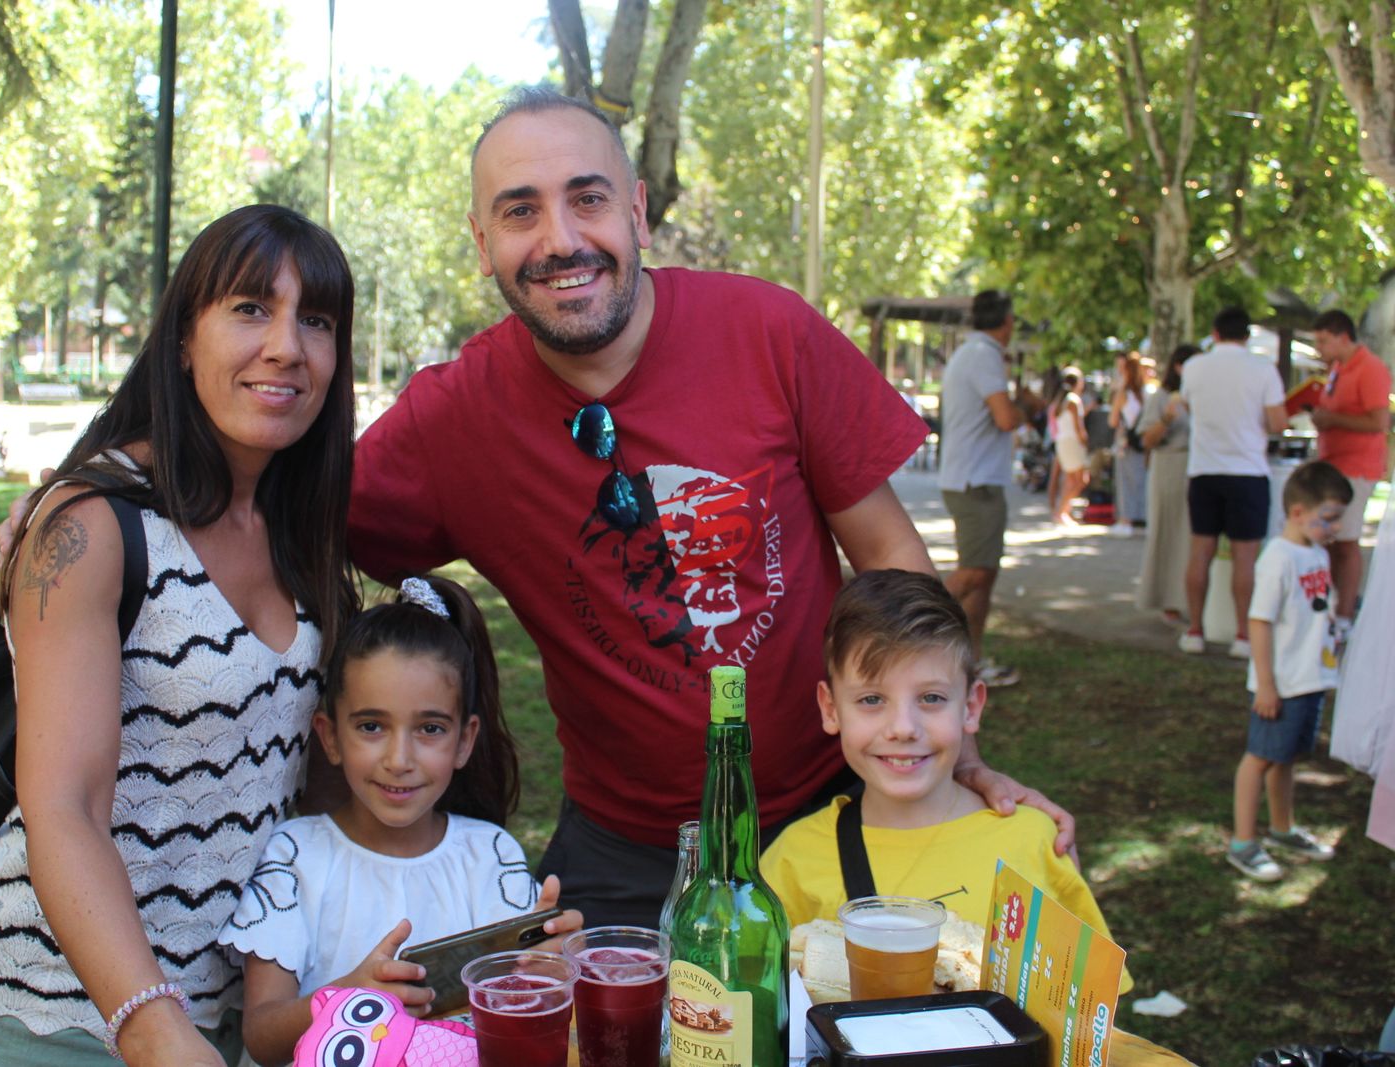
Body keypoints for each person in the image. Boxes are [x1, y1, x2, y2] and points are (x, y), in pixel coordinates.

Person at [346, 89, 1071, 926]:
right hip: (622, 845)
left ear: (639, 213)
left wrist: (955, 751)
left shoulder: (770, 331)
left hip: (836, 805)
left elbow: (893, 562)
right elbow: (290, 523)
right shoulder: (452, 418)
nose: (562, 240)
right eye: (520, 212)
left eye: (589, 198)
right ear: (482, 243)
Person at [0, 205, 359, 1067]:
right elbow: (65, 804)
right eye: (249, 309)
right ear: (181, 340)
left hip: (226, 1016)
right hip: (56, 1014)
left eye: (315, 319)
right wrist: (152, 1026)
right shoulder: (93, 526)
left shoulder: (296, 522)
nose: (286, 345)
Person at [220, 575, 583, 1066]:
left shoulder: (490, 856)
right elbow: (262, 1037)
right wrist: (351, 997)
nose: (399, 758)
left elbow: (518, 1015)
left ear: (464, 741)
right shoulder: (295, 857)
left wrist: (547, 971)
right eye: (372, 726)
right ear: (329, 737)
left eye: (430, 729)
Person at [761, 569, 1128, 992]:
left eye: (931, 698)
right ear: (831, 708)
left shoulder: (1031, 844)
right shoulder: (791, 861)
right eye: (871, 699)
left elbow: (1090, 1018)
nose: (903, 728)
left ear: (971, 707)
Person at [1226, 460, 1351, 881]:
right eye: (1328, 518)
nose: (1334, 527)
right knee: (1259, 758)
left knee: (1287, 759)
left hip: (1309, 680)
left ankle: (1282, 828)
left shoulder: (1315, 552)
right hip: (1280, 685)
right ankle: (1242, 843)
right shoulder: (1277, 558)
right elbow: (1259, 622)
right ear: (1298, 512)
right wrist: (1266, 684)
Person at [1178, 306, 1288, 658]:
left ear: (1215, 332)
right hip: (1248, 471)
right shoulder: (1263, 369)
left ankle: (1195, 629)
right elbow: (1276, 423)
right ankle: (1243, 636)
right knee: (1245, 559)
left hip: (1204, 469)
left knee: (1201, 552)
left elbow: (1190, 408)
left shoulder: (1194, 367)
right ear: (1247, 334)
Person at [937, 289, 1025, 687]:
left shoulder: (971, 353)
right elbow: (1006, 418)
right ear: (1006, 321)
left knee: (983, 575)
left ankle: (971, 661)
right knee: (972, 574)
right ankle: (902, 628)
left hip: (974, 478)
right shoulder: (984, 355)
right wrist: (1033, 406)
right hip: (976, 481)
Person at [1308, 308, 1391, 640]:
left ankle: (1344, 617)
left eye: (1324, 341)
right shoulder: (1338, 369)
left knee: (1346, 541)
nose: (1319, 349)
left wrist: (1333, 421)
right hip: (1333, 464)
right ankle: (1330, 607)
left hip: (1356, 468)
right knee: (1327, 539)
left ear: (1343, 337)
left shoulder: (1370, 369)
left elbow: (1379, 423)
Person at [1135, 344, 1199, 625]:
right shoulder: (1160, 397)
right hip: (1169, 466)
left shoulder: (1203, 396)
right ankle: (1166, 598)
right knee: (1167, 531)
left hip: (1197, 468)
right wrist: (1167, 418)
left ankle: (1191, 599)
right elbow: (1147, 440)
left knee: (1193, 537)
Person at [1108, 354, 1149, 536]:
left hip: (1126, 443)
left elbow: (1112, 420)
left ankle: (1126, 520)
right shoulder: (1147, 393)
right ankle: (1144, 517)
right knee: (1143, 480)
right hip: (1143, 442)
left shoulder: (1123, 393)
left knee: (1125, 481)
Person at [1047, 366, 1088, 525]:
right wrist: (1085, 441)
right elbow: (1079, 427)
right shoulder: (1073, 400)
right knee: (1080, 479)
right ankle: (1061, 511)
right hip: (1072, 442)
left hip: (1062, 441)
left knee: (1070, 479)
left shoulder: (1059, 400)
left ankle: (1063, 512)